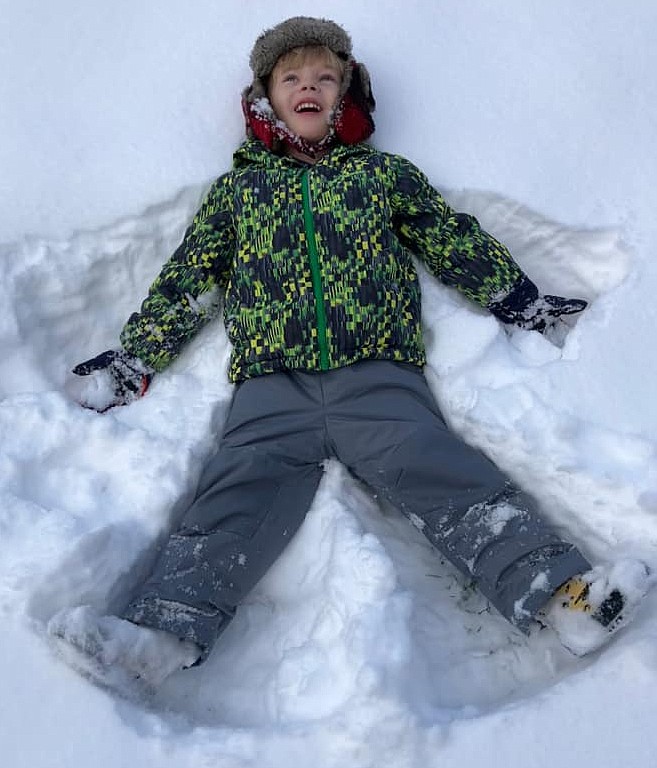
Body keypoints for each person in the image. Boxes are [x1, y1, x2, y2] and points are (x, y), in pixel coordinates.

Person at [49, 16, 648, 692]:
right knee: (237, 490)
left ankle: (558, 597)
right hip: (272, 383)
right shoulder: (238, 192)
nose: (308, 87)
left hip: (377, 373)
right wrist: (136, 359)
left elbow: (446, 237)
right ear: (264, 99)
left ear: (347, 96)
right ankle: (157, 637)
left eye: (324, 78)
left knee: (441, 471)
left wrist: (517, 298)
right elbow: (188, 277)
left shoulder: (382, 176)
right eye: (291, 78)